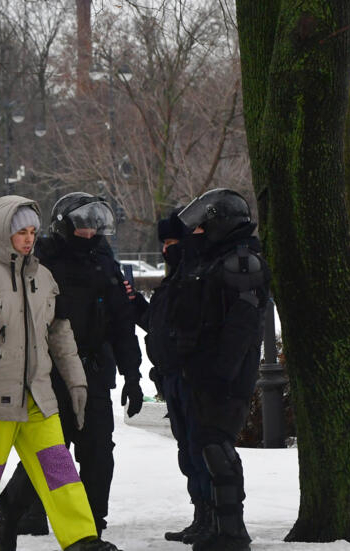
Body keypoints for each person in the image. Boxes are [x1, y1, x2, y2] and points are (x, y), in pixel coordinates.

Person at [0, 195, 121, 551]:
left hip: (38, 398)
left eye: (33, 231)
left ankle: (81, 539)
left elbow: (61, 335)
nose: (28, 239)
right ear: (4, 234)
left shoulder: (44, 278)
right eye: (21, 232)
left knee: (59, 470)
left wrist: (77, 381)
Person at [0, 192, 143, 545]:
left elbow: (122, 324)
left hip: (95, 371)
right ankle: (12, 510)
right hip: (50, 375)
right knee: (51, 454)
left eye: (95, 227)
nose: (90, 234)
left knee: (98, 454)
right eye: (83, 227)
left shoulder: (105, 264)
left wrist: (133, 376)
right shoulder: (41, 262)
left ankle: (91, 531)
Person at [158, 188, 271, 551]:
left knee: (216, 448)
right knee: (204, 446)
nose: (198, 235)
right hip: (203, 372)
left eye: (204, 228)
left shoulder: (241, 263)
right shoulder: (214, 260)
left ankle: (232, 531)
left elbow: (241, 329)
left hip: (224, 376)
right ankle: (218, 526)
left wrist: (220, 375)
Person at [136, 208, 213, 545]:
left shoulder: (196, 276)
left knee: (200, 449)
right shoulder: (176, 278)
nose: (167, 248)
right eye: (164, 243)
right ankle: (202, 514)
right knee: (188, 450)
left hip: (191, 378)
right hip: (173, 377)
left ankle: (211, 516)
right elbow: (160, 324)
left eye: (172, 241)